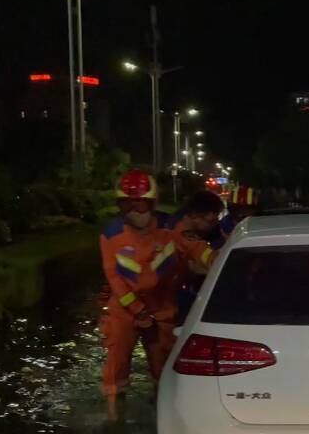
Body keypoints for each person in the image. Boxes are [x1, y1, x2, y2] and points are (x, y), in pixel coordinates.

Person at [100, 170, 213, 414]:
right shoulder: (111, 234)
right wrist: (137, 311)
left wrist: (218, 261)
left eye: (141, 205)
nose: (135, 211)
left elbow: (197, 248)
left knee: (164, 366)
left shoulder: (170, 226)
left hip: (162, 307)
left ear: (152, 204)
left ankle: (163, 412)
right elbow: (115, 278)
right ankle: (113, 417)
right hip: (126, 309)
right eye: (129, 205)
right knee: (116, 365)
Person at [167, 189, 236, 322]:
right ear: (195, 215)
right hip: (174, 297)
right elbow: (201, 253)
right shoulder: (179, 233)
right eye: (211, 221)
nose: (215, 223)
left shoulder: (209, 230)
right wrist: (217, 263)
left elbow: (223, 241)